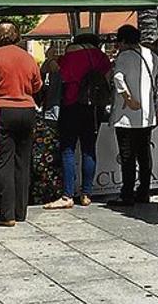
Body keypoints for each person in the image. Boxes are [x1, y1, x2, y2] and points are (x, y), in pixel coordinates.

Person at [0, 20, 42, 226]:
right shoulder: (27, 57)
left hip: (1, 112)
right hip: (27, 111)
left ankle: (7, 214)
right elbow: (37, 84)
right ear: (16, 35)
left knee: (3, 163)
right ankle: (21, 211)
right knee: (23, 162)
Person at [45, 32, 111, 210]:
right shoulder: (101, 56)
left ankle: (67, 195)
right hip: (93, 107)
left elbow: (58, 73)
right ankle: (86, 194)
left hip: (71, 104)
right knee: (89, 149)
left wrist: (50, 57)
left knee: (68, 150)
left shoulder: (71, 55)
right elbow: (107, 78)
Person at [107, 25, 158, 207]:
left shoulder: (124, 56)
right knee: (144, 154)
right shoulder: (151, 55)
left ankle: (127, 193)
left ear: (122, 41)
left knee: (127, 155)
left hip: (127, 115)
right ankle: (144, 190)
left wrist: (128, 98)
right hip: (147, 113)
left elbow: (118, 78)